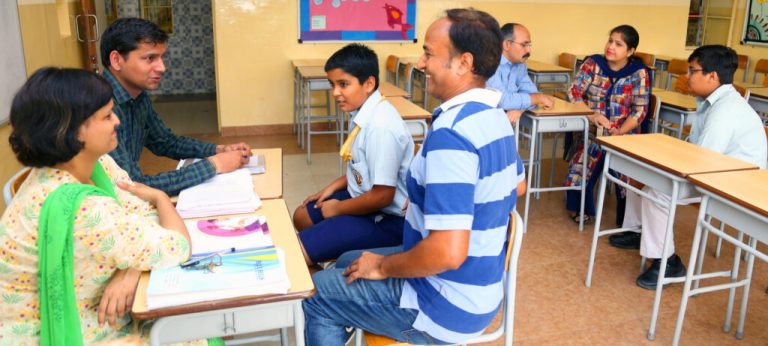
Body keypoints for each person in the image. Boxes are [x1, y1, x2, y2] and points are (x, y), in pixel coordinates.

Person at [302, 8, 526, 345]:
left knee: (314, 294)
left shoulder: (452, 134)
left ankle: (341, 311)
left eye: (429, 53)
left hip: (441, 304)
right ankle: (353, 309)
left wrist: (383, 268)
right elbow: (517, 186)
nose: (420, 64)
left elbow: (447, 253)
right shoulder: (495, 118)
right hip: (481, 290)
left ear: (464, 63)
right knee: (349, 261)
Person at [0, 67, 191, 344]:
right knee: (189, 332)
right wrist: (160, 198)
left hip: (92, 315)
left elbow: (140, 214)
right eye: (106, 116)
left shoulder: (96, 165)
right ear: (71, 131)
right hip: (69, 334)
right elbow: (177, 246)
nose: (117, 121)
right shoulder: (81, 209)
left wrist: (132, 269)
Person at [610, 45, 767, 290]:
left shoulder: (726, 110)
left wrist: (666, 164)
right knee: (639, 173)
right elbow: (696, 148)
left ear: (712, 76)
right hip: (715, 169)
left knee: (658, 193)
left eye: (692, 71)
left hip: (732, 182)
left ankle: (668, 263)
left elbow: (702, 161)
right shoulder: (711, 100)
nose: (686, 77)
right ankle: (639, 230)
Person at [292, 43, 414, 268]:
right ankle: (337, 248)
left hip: (387, 218)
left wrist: (337, 209)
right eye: (332, 84)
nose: (335, 93)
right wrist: (332, 187)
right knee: (301, 216)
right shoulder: (363, 111)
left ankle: (329, 277)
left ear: (369, 83)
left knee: (298, 253)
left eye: (343, 84)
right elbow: (363, 167)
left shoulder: (381, 126)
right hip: (365, 197)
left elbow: (383, 196)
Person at [101, 17, 250, 196]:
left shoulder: (138, 97)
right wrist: (214, 165)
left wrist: (218, 150)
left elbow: (166, 142)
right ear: (117, 60)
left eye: (161, 57)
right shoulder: (98, 108)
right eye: (150, 58)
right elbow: (131, 186)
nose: (162, 67)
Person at [564, 24, 651, 224]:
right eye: (610, 41)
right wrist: (592, 115)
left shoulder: (639, 73)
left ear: (630, 51)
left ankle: (627, 222)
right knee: (579, 170)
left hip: (624, 137)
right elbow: (574, 92)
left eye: (618, 44)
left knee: (628, 177)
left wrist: (620, 131)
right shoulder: (592, 64)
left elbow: (640, 110)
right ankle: (580, 209)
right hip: (592, 132)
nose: (610, 46)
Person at [486, 22, 554, 123]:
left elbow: (532, 93)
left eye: (529, 45)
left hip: (502, 125)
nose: (529, 51)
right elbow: (503, 101)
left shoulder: (520, 66)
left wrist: (519, 109)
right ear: (506, 45)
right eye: (524, 45)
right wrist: (538, 98)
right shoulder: (489, 64)